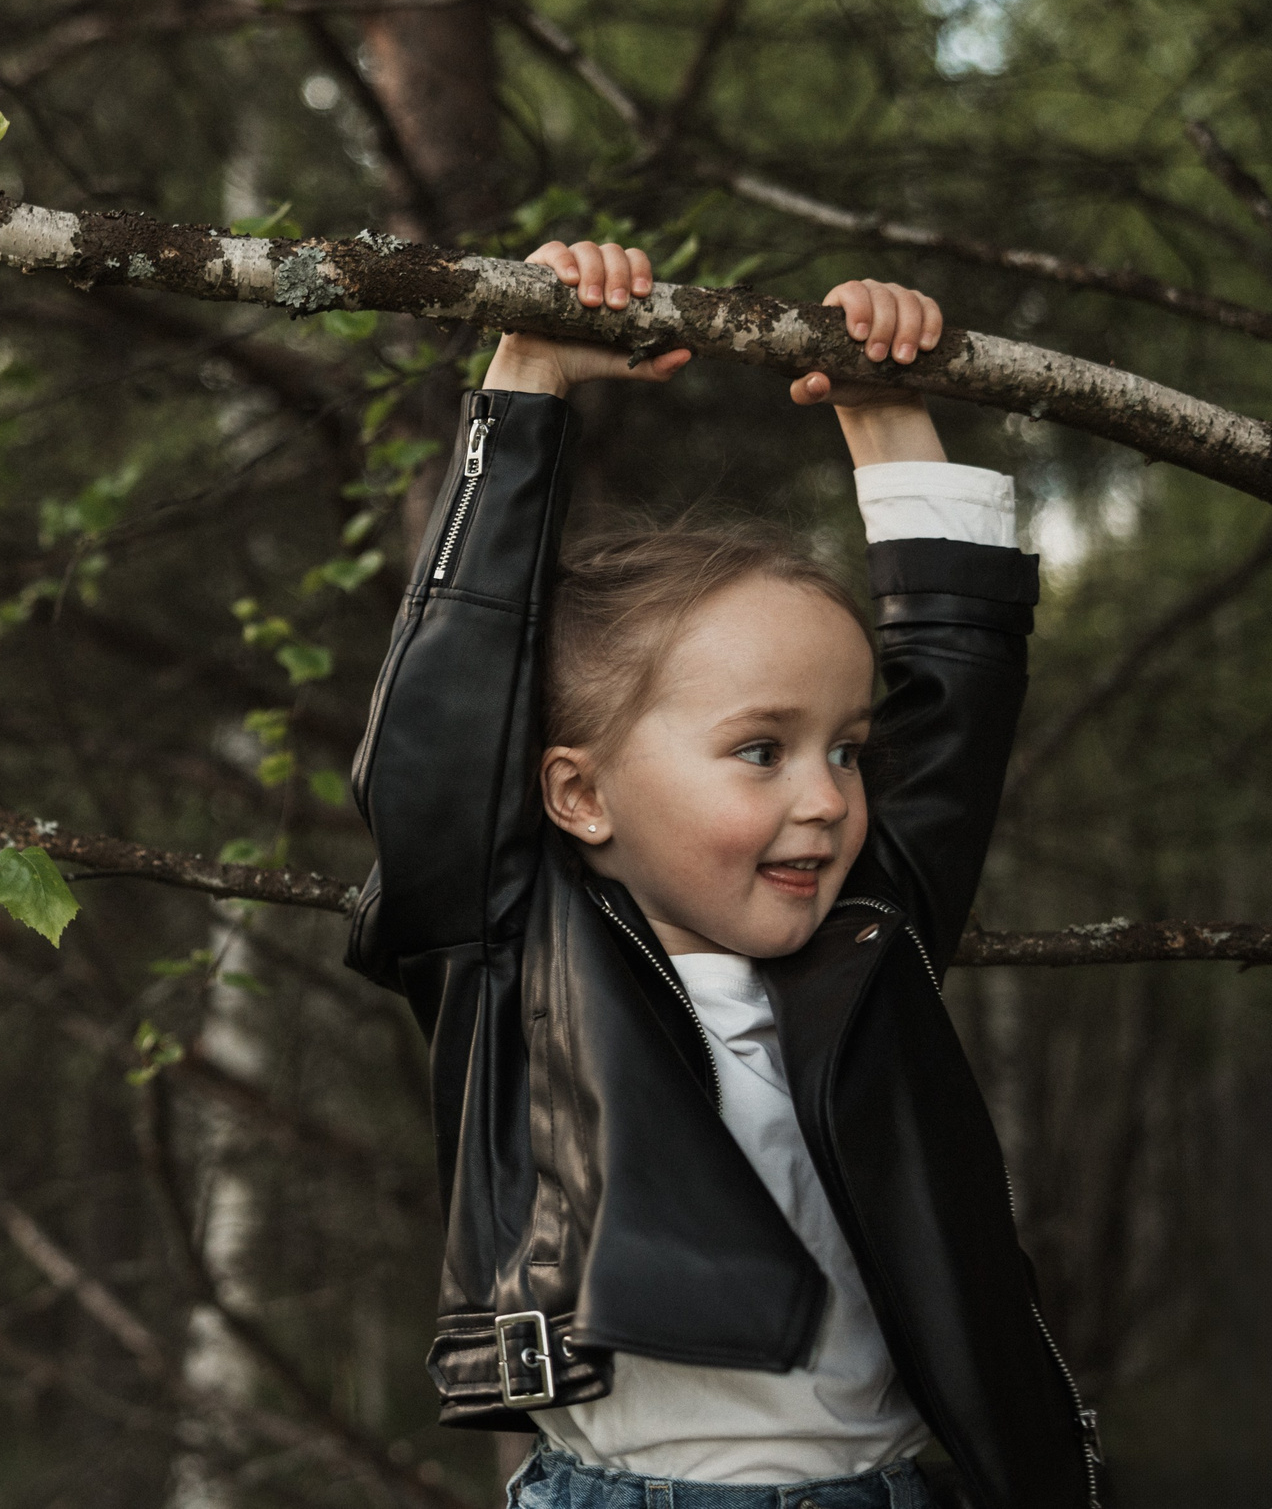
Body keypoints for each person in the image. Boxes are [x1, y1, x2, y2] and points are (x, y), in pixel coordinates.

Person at [345, 241, 1103, 1509]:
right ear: (577, 793)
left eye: (846, 751)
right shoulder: (513, 950)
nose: (825, 798)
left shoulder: (867, 940)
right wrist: (528, 373)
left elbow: (953, 702)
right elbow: (440, 739)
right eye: (760, 749)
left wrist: (884, 407)